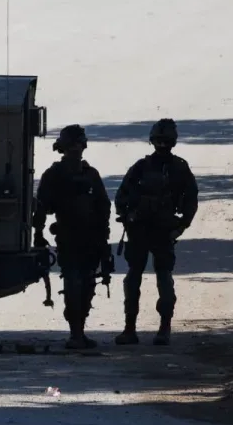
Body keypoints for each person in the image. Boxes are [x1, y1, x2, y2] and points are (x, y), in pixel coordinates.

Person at [114, 117, 198, 346]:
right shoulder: (166, 167)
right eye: (160, 141)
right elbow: (122, 197)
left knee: (150, 279)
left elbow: (190, 200)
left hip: (157, 231)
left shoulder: (163, 167)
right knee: (148, 279)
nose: (161, 145)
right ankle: (144, 329)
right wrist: (129, 216)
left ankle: (149, 328)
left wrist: (180, 226)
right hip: (147, 230)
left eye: (163, 141)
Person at [34, 124, 112, 350]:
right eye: (72, 145)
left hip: (91, 238)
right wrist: (38, 234)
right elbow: (41, 208)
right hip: (68, 237)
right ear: (64, 148)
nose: (76, 149)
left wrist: (103, 234)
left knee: (88, 284)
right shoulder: (54, 175)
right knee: (73, 284)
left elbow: (103, 205)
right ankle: (75, 333)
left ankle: (80, 330)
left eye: (79, 145)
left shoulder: (90, 174)